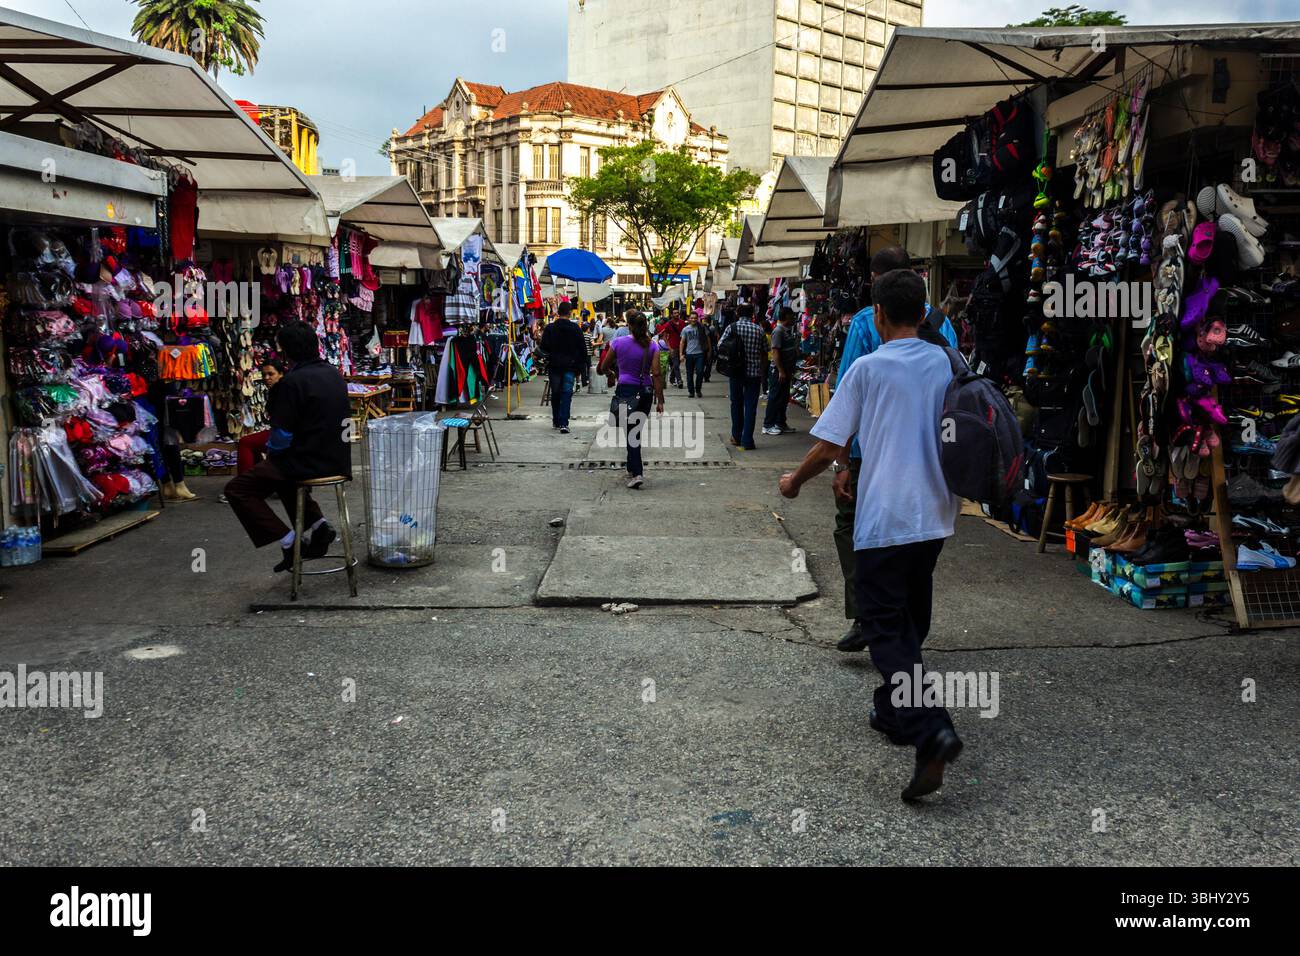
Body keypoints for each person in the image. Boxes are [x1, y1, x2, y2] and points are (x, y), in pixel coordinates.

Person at [778, 268, 962, 802]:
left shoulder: (868, 367)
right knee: (909, 617)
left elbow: (832, 444)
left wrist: (793, 482)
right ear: (923, 313)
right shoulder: (948, 362)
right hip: (935, 516)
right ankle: (894, 711)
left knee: (884, 629)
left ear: (877, 315)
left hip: (885, 518)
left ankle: (932, 729)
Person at [832, 246, 959, 652]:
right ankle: (907, 641)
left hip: (879, 466)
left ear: (876, 283)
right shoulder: (944, 326)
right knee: (920, 557)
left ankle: (869, 619)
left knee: (855, 533)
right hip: (936, 471)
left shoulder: (868, 321)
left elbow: (846, 395)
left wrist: (844, 462)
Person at [224, 321, 352, 573]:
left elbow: (281, 435)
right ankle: (318, 525)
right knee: (280, 474)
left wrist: (271, 454)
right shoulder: (332, 373)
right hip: (337, 458)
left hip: (308, 461)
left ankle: (289, 541)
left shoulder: (292, 383)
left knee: (238, 489)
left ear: (287, 352)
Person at [597, 310, 664, 489]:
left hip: (626, 390)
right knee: (635, 430)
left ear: (629, 325)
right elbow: (656, 373)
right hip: (646, 391)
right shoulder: (653, 346)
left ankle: (637, 472)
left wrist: (611, 374)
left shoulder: (618, 343)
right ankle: (631, 465)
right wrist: (660, 400)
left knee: (631, 431)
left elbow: (603, 367)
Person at [717, 303, 766, 450]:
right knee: (751, 407)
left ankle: (736, 436)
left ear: (738, 313)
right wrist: (763, 372)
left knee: (736, 403)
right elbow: (764, 352)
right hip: (754, 373)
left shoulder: (731, 328)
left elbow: (720, 346)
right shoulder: (759, 330)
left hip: (736, 372)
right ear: (752, 314)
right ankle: (747, 440)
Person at [540, 301, 587, 434]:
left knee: (555, 393)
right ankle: (563, 423)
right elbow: (583, 350)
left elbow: (544, 347)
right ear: (570, 312)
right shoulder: (576, 329)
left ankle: (556, 419)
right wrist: (580, 369)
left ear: (558, 312)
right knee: (566, 393)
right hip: (570, 366)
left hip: (554, 366)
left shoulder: (550, 328)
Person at [762, 307, 800, 436]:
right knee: (775, 397)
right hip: (779, 371)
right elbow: (775, 352)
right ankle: (768, 425)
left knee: (783, 398)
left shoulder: (786, 331)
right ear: (786, 317)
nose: (794, 318)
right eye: (791, 316)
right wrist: (781, 371)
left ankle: (780, 423)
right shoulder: (778, 331)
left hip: (786, 370)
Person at [679, 310, 710, 398]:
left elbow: (708, 339)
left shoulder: (702, 327)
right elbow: (682, 342)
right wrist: (681, 354)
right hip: (689, 354)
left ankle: (698, 389)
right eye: (692, 318)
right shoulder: (685, 329)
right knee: (689, 374)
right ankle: (691, 391)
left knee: (700, 372)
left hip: (700, 354)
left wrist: (709, 351)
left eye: (695, 318)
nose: (693, 320)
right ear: (689, 319)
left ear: (698, 319)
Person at [663, 306, 686, 389]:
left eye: (677, 313)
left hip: (682, 347)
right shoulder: (668, 324)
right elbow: (665, 337)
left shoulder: (683, 323)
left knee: (676, 364)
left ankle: (672, 378)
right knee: (676, 365)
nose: (677, 314)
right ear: (671, 315)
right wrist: (669, 348)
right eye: (675, 313)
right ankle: (679, 381)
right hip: (673, 347)